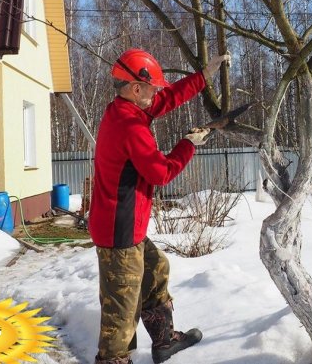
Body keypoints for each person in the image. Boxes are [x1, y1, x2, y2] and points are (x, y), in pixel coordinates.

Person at [89, 48, 230, 364]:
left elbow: (167, 101)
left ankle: (164, 341)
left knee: (156, 269)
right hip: (118, 230)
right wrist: (187, 145)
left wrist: (203, 77)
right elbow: (161, 172)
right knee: (122, 307)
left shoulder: (127, 111)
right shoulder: (131, 127)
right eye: (152, 87)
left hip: (126, 225)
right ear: (136, 88)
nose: (157, 93)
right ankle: (114, 359)